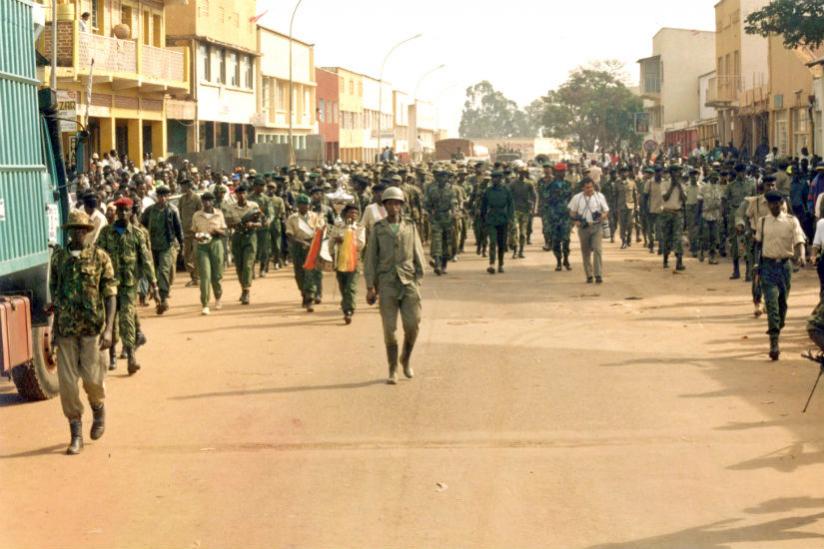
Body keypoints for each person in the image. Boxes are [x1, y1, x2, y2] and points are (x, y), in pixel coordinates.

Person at [48, 210, 117, 455]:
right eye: (74, 229)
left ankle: (98, 408)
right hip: (66, 330)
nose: (78, 233)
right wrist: (53, 323)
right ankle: (75, 433)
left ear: (88, 231)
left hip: (92, 330)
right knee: (67, 385)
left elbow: (110, 293)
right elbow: (54, 292)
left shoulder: (100, 258)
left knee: (92, 380)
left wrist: (109, 329)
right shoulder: (58, 259)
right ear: (68, 232)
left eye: (82, 229)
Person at [364, 187, 425, 385]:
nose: (394, 206)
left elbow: (418, 254)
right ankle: (393, 368)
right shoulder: (378, 228)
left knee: (413, 325)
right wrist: (370, 287)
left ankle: (405, 358)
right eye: (390, 203)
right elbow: (370, 259)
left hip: (408, 282)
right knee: (389, 329)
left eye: (397, 203)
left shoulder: (410, 226)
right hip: (387, 283)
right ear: (385, 206)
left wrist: (418, 280)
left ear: (401, 205)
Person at [97, 197, 157, 375]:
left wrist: (153, 285)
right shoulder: (106, 233)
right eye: (120, 210)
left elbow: (146, 261)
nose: (122, 213)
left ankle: (131, 356)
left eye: (126, 210)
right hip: (109, 285)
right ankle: (113, 355)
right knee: (110, 320)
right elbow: (97, 256)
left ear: (131, 212)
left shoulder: (137, 234)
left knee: (127, 319)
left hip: (129, 285)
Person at [755, 190, 806, 360]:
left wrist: (802, 256)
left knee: (782, 304)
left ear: (781, 203)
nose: (774, 206)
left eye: (777, 203)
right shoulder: (762, 222)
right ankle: (774, 342)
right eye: (771, 203)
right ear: (768, 205)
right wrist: (756, 264)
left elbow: (800, 241)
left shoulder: (792, 221)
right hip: (768, 266)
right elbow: (758, 244)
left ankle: (777, 326)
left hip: (785, 267)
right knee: (771, 304)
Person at [140, 185, 183, 315]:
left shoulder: (172, 210)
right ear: (157, 197)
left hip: (166, 246)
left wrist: (181, 244)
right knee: (151, 273)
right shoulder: (149, 211)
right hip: (151, 247)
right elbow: (142, 226)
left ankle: (163, 299)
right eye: (160, 196)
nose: (163, 198)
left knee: (164, 271)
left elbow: (178, 229)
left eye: (165, 196)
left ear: (168, 196)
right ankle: (151, 294)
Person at [286, 194, 325, 312]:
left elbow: (321, 231)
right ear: (298, 205)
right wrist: (301, 242)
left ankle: (311, 297)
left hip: (313, 245)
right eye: (302, 204)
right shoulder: (292, 218)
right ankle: (304, 293)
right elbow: (289, 234)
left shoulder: (315, 217)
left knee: (312, 272)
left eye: (306, 204)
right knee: (299, 273)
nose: (304, 207)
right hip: (298, 246)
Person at [223, 184, 261, 305]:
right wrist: (234, 224)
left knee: (248, 264)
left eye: (243, 192)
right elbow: (225, 223)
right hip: (237, 237)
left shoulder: (254, 206)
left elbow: (261, 222)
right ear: (236, 194)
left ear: (247, 194)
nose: (241, 195)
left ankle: (246, 291)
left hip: (250, 236)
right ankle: (243, 288)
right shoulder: (230, 208)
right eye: (239, 193)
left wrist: (252, 224)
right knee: (239, 266)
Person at [328, 204, 365, 324]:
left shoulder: (360, 228)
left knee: (351, 287)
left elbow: (360, 244)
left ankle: (348, 310)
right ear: (345, 214)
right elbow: (331, 242)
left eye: (355, 213)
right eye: (350, 213)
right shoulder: (338, 226)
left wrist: (345, 239)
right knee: (343, 286)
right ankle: (346, 304)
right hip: (340, 260)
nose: (353, 215)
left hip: (354, 261)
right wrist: (332, 255)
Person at [191, 192, 227, 315]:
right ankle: (205, 304)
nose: (207, 203)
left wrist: (215, 230)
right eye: (204, 200)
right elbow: (193, 232)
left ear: (212, 202)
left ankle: (218, 297)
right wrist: (198, 237)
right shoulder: (197, 215)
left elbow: (224, 232)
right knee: (205, 275)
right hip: (202, 246)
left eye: (209, 200)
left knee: (217, 275)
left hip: (216, 244)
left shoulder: (219, 214)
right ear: (202, 202)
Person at [568, 177, 609, 283]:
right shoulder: (577, 198)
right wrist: (575, 221)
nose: (590, 189)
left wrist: (603, 216)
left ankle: (598, 274)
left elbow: (606, 210)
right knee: (586, 252)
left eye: (591, 187)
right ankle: (589, 275)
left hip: (596, 226)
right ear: (582, 188)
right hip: (583, 227)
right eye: (587, 188)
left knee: (597, 250)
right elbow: (572, 212)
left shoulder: (599, 196)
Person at [424, 168, 458, 275]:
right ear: (437, 178)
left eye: (444, 177)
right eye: (440, 177)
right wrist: (430, 213)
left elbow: (454, 204)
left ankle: (444, 265)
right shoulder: (432, 190)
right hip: (437, 218)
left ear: (447, 178)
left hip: (447, 219)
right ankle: (437, 265)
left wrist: (454, 213)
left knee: (446, 243)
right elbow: (427, 203)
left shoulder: (451, 190)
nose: (442, 179)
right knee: (437, 241)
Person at [481, 170, 514, 274]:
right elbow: (484, 205)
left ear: (501, 179)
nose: (494, 179)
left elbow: (511, 205)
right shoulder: (488, 191)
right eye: (493, 177)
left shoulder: (506, 190)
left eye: (497, 178)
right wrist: (483, 218)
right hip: (491, 219)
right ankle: (491, 264)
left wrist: (510, 218)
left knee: (501, 244)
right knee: (493, 242)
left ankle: (501, 264)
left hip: (503, 219)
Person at [542, 163, 573, 271]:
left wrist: (572, 215)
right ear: (555, 172)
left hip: (565, 217)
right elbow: (545, 201)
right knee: (555, 240)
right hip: (554, 217)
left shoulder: (568, 184)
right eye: (560, 171)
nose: (562, 173)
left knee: (566, 239)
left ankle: (566, 259)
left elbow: (571, 201)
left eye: (563, 171)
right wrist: (547, 218)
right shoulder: (549, 185)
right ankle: (559, 261)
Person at [659, 165, 686, 271]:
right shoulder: (664, 184)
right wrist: (672, 186)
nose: (677, 174)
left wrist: (678, 187)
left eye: (678, 172)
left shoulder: (681, 185)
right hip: (666, 213)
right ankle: (665, 259)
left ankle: (679, 262)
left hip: (677, 213)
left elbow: (684, 199)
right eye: (675, 172)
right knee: (667, 237)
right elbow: (665, 198)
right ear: (671, 173)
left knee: (678, 237)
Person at [177, 179, 202, 287]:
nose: (182, 188)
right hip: (186, 232)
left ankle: (196, 278)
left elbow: (201, 214)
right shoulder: (182, 199)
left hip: (195, 232)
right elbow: (180, 214)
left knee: (196, 255)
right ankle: (193, 276)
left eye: (183, 186)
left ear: (188, 186)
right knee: (187, 256)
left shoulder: (196, 198)